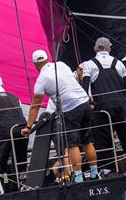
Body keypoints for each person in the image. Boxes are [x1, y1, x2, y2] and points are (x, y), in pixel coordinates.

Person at [21, 50, 99, 183]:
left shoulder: (41, 79)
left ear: (35, 64)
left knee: (72, 144)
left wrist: (28, 127)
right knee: (86, 141)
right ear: (47, 59)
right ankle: (94, 173)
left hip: (71, 109)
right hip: (85, 103)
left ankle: (79, 178)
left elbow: (35, 105)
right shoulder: (61, 65)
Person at [80, 37, 126, 171]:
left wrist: (91, 103)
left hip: (101, 107)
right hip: (120, 105)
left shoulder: (89, 64)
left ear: (95, 48)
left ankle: (108, 169)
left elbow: (85, 88)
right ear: (109, 48)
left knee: (103, 139)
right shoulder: (119, 64)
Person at [0, 75, 29, 186]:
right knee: (20, 161)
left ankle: (3, 187)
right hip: (22, 129)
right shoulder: (16, 98)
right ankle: (22, 184)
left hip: (5, 131)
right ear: (3, 85)